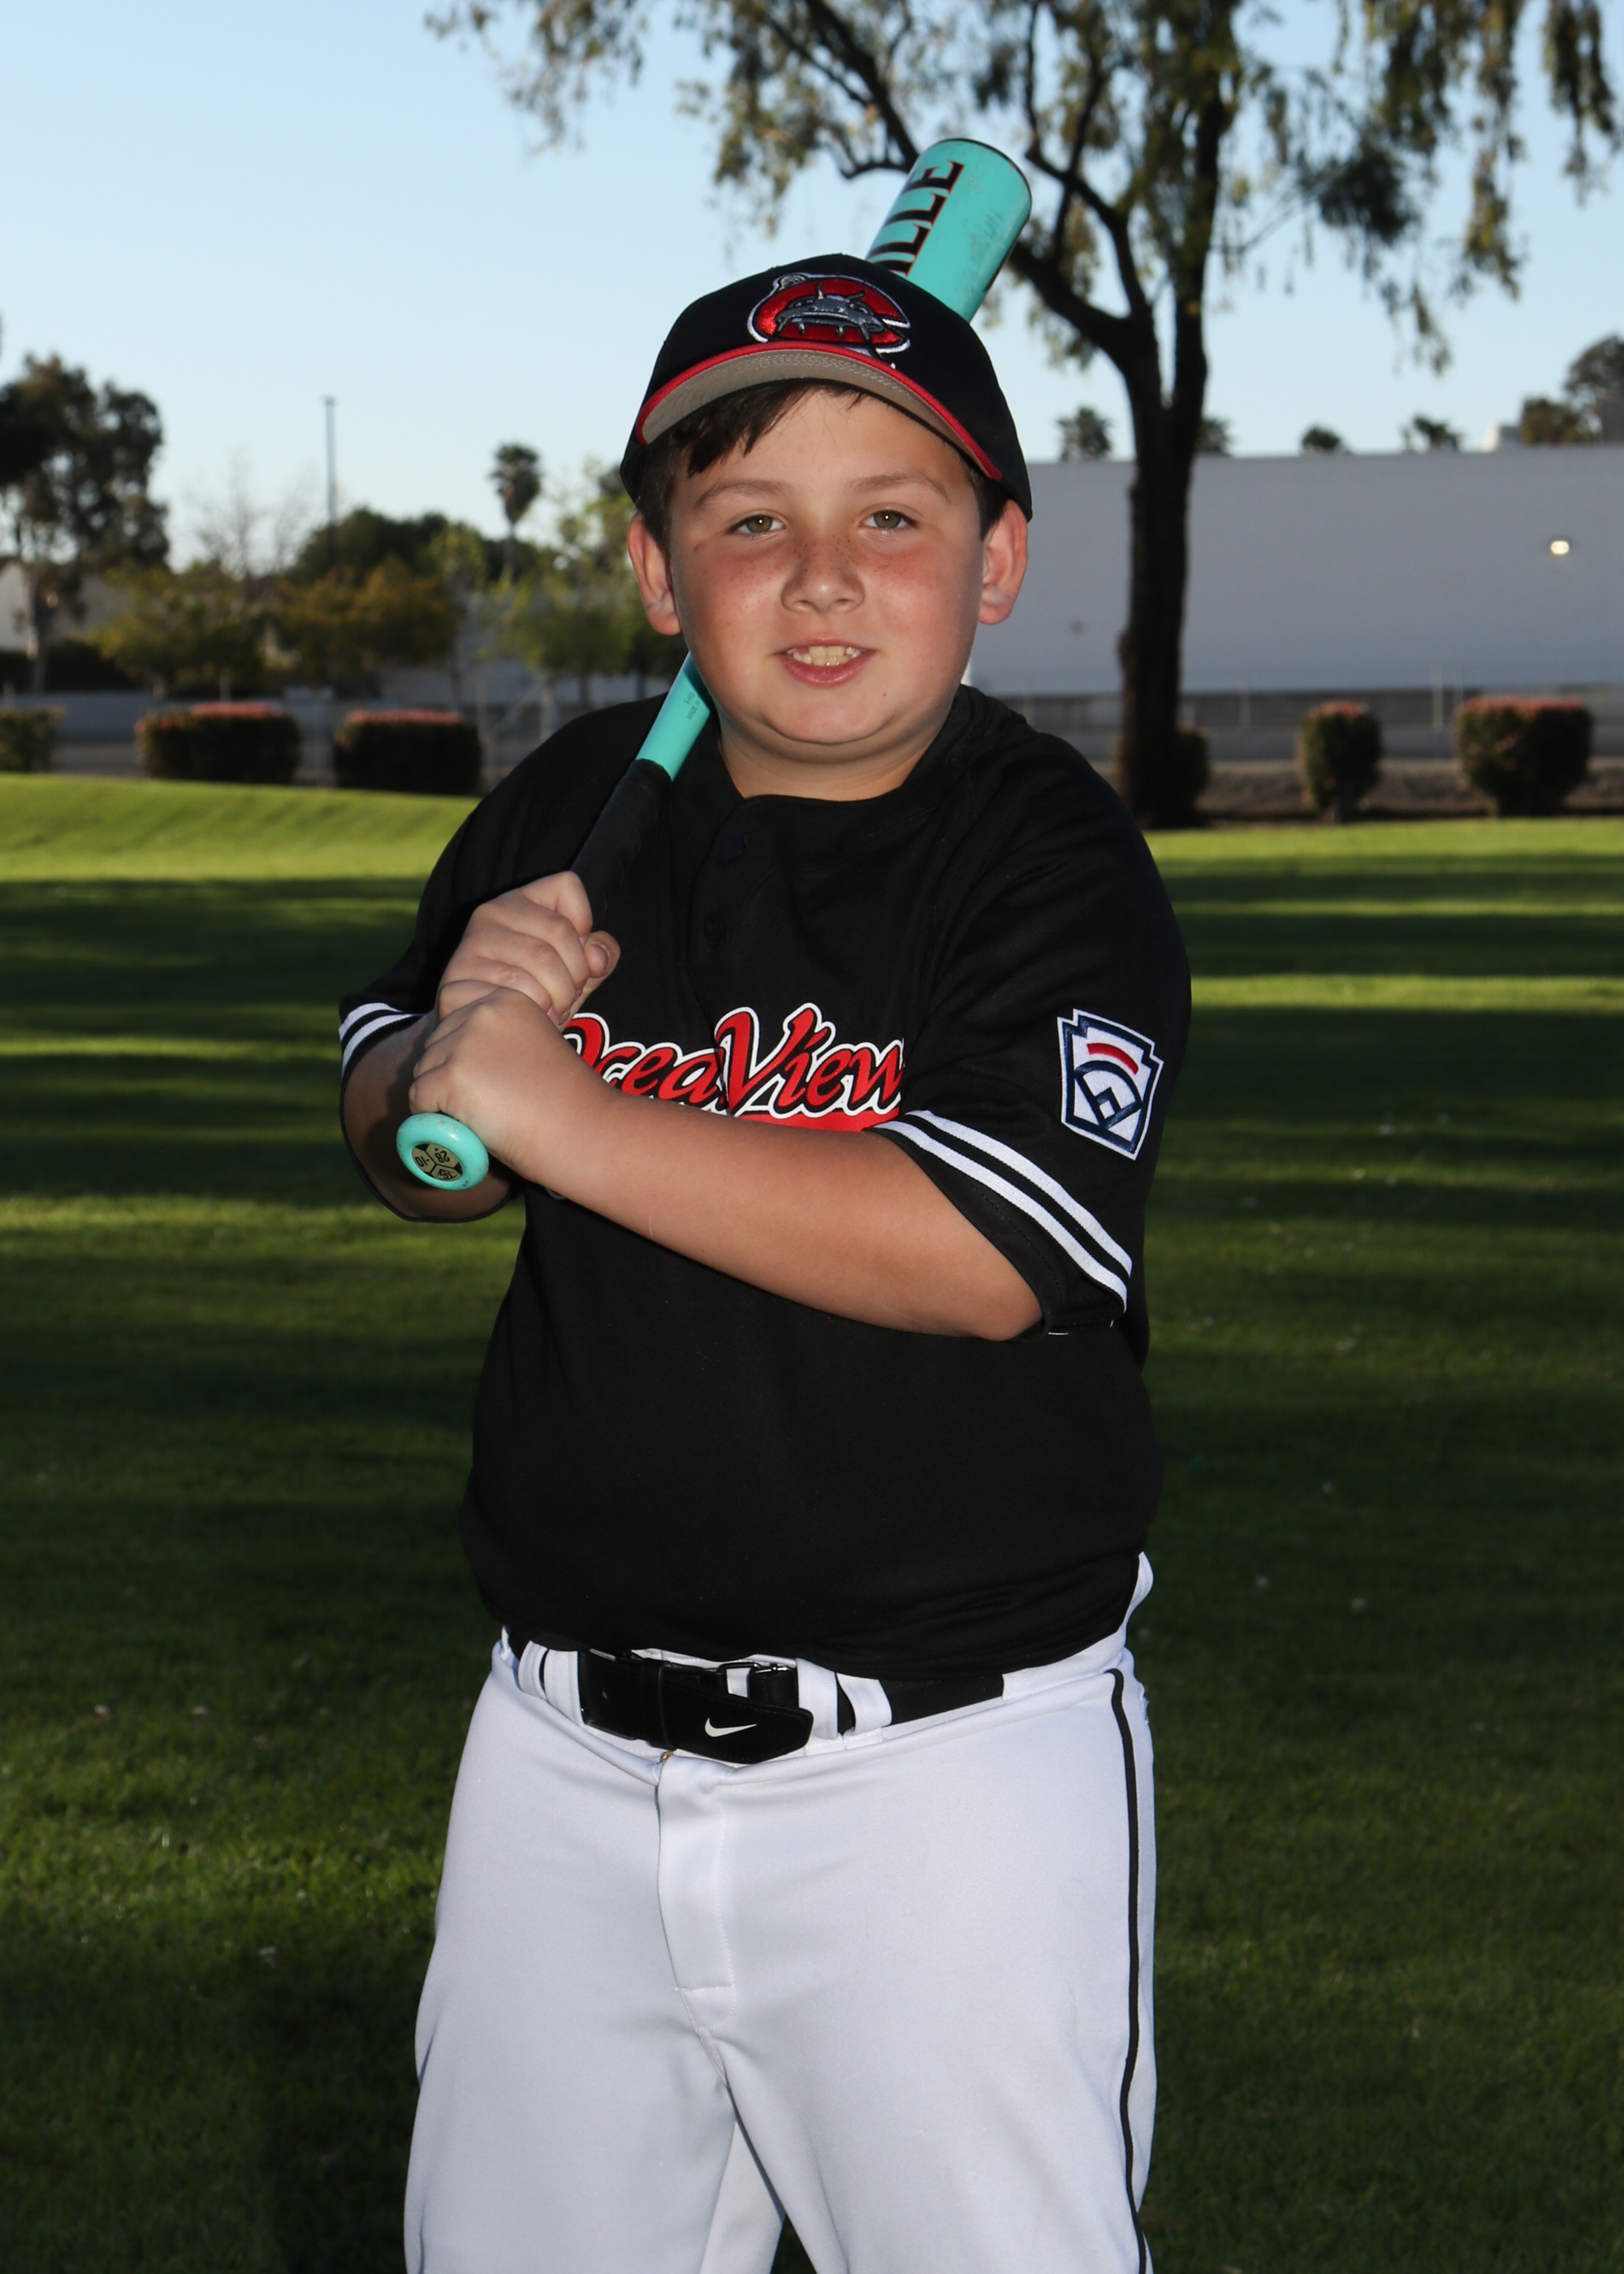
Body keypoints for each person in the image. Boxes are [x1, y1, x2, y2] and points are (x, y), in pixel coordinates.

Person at [339, 253, 1190, 2274]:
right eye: (748, 523)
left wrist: (559, 1112)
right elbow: (408, 1125)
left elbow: (985, 1248)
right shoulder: (578, 807)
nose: (821, 579)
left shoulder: (1046, 855)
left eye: (891, 517)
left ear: (995, 564)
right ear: (658, 572)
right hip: (557, 1752)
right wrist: (451, 1063)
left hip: (943, 1772)